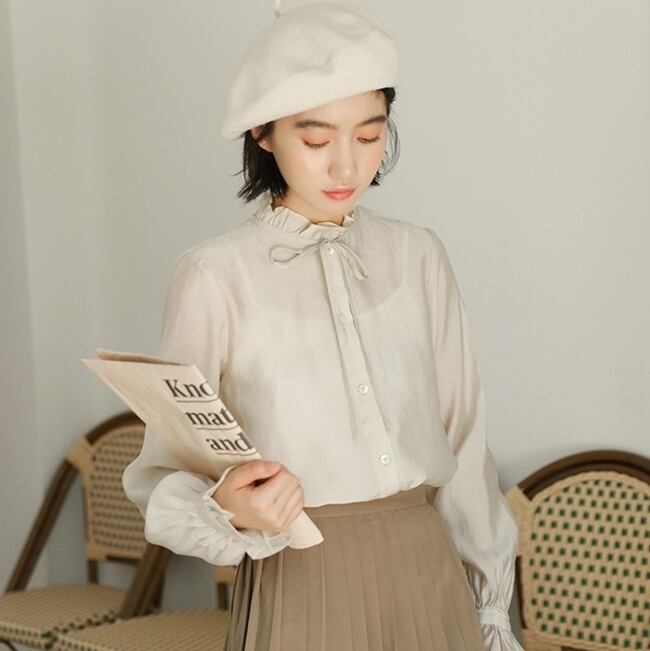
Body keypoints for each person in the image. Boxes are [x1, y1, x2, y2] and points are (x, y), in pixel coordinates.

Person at [122, 2, 524, 650]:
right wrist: (227, 506)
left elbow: (465, 440)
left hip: (429, 574)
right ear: (262, 131)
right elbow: (164, 471)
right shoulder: (214, 276)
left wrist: (492, 608)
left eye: (369, 135)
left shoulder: (418, 255)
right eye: (316, 139)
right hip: (301, 583)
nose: (346, 167)